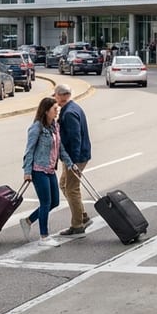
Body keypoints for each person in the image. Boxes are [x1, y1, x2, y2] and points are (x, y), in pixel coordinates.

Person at [18, 97, 75, 247]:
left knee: (54, 201)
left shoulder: (54, 126)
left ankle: (28, 221)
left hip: (50, 169)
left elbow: (60, 148)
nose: (57, 111)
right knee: (45, 203)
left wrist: (69, 163)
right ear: (46, 111)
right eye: (54, 109)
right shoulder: (36, 128)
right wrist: (27, 171)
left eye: (58, 108)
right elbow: (29, 151)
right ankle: (44, 237)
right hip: (38, 170)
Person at [54, 83, 93, 236]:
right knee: (64, 184)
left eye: (56, 95)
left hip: (75, 157)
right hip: (73, 156)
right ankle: (82, 215)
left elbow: (75, 138)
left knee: (71, 188)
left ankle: (78, 224)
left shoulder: (69, 113)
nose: (55, 98)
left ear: (61, 96)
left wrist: (73, 162)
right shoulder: (73, 108)